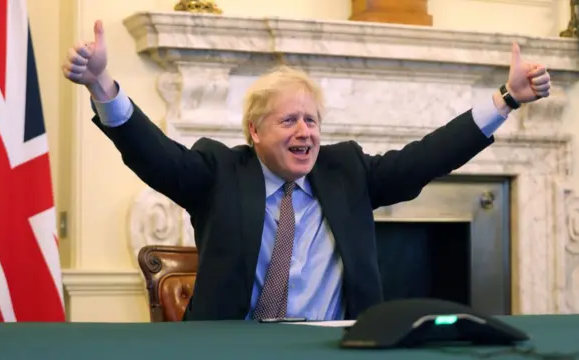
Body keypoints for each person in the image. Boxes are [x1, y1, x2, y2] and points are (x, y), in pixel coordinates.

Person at [62, 20, 551, 321]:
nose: (306, 132)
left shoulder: (347, 171)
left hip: (335, 346)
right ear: (255, 131)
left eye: (312, 120)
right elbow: (155, 155)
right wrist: (103, 85)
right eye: (289, 120)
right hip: (238, 348)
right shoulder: (220, 172)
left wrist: (505, 101)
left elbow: (428, 156)